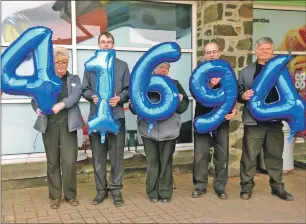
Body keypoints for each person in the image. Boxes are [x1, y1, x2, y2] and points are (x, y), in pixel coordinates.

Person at [238, 37, 293, 201]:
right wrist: (243, 95)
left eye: (268, 49)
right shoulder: (246, 71)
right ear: (256, 51)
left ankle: (277, 187)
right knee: (249, 156)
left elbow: (289, 93)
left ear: (272, 51)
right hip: (254, 122)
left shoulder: (281, 70)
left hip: (275, 122)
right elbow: (238, 93)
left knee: (275, 156)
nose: (264, 51)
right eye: (261, 49)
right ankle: (246, 187)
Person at [31, 47, 84, 209]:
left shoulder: (74, 79)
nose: (61, 65)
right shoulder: (45, 79)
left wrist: (62, 104)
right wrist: (36, 108)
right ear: (52, 63)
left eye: (64, 62)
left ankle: (70, 195)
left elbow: (75, 96)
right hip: (50, 126)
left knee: (69, 162)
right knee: (53, 162)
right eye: (58, 62)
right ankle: (55, 196)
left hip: (68, 125)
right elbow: (34, 97)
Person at [82, 32, 130, 207]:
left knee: (117, 157)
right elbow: (84, 89)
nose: (106, 45)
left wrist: (121, 98)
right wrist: (91, 96)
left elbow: (129, 89)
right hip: (97, 117)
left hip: (117, 117)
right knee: (98, 157)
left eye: (109, 42)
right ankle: (101, 191)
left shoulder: (122, 66)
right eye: (103, 42)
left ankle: (116, 191)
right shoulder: (91, 66)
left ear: (113, 44)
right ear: (98, 44)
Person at [129, 62, 189, 203]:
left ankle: (165, 193)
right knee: (152, 162)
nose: (164, 70)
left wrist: (180, 101)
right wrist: (133, 105)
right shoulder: (143, 83)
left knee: (166, 161)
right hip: (148, 130)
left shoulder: (174, 84)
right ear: (154, 68)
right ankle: (152, 193)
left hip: (169, 131)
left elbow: (183, 106)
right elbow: (134, 107)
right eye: (161, 67)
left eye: (167, 68)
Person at [192, 41, 237, 200]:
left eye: (214, 51)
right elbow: (197, 94)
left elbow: (233, 92)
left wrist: (234, 108)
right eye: (208, 52)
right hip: (203, 118)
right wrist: (211, 84)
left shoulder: (226, 70)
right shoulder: (198, 72)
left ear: (219, 53)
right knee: (200, 154)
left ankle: (220, 186)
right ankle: (200, 185)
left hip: (222, 118)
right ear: (204, 55)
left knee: (222, 153)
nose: (211, 54)